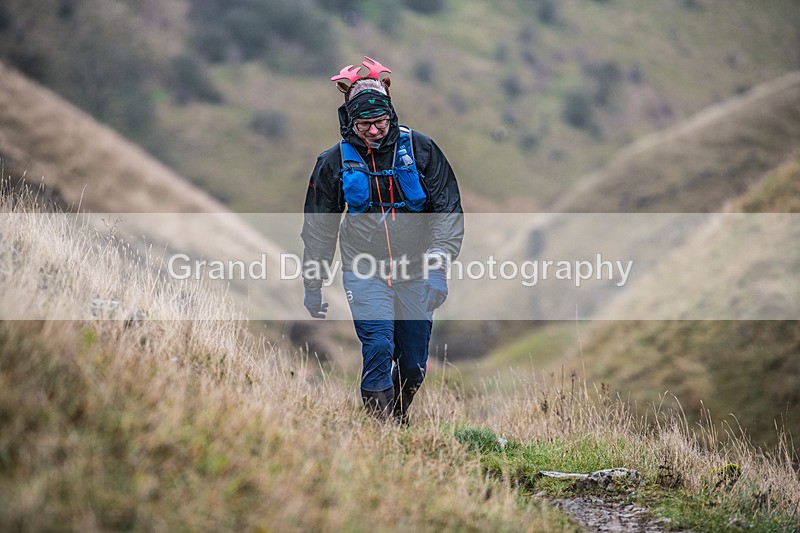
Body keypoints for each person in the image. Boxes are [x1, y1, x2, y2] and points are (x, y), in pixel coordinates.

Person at [301, 56, 464, 423]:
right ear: (349, 120)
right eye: (364, 124)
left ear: (391, 115)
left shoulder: (421, 150)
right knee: (378, 347)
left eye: (379, 122)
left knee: (413, 367)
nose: (373, 131)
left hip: (417, 269)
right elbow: (319, 227)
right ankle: (381, 431)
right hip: (364, 270)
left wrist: (438, 266)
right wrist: (314, 283)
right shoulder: (333, 162)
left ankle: (398, 419)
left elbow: (448, 211)